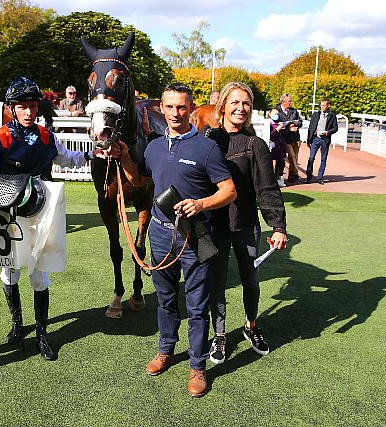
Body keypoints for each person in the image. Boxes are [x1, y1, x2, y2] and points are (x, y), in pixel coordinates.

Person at [113, 82, 237, 397]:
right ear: (162, 108)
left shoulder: (207, 148)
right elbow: (138, 179)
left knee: (196, 306)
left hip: (194, 235)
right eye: (169, 107)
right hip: (159, 232)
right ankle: (166, 350)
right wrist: (125, 156)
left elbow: (229, 191)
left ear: (191, 108)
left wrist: (201, 204)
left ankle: (198, 367)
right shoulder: (154, 146)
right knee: (166, 300)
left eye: (182, 107)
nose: (175, 113)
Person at [0, 76, 109, 361]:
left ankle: (42, 334)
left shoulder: (47, 137)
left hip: (41, 208)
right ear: (12, 108)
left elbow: (66, 158)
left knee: (40, 272)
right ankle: (17, 324)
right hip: (7, 209)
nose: (28, 112)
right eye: (22, 106)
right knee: (9, 271)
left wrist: (91, 155)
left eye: (32, 106)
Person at [205, 82, 288, 365]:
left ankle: (251, 325)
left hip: (246, 225)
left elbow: (267, 188)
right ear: (223, 107)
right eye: (235, 102)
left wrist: (278, 226)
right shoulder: (208, 140)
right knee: (216, 283)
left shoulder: (255, 145)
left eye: (246, 103)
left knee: (250, 280)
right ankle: (219, 334)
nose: (240, 108)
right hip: (215, 227)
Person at [305, 98, 338, 185]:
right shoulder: (316, 114)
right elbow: (311, 127)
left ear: (328, 105)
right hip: (315, 139)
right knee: (311, 158)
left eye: (324, 105)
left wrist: (328, 132)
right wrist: (308, 139)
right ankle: (308, 177)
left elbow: (335, 128)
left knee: (323, 159)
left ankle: (320, 178)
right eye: (321, 105)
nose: (322, 107)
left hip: (325, 140)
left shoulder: (332, 116)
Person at [276, 94, 302, 183]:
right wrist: (289, 127)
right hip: (284, 139)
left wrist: (295, 124)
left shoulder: (294, 111)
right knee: (292, 156)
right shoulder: (276, 111)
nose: (291, 102)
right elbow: (276, 124)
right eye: (289, 101)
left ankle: (292, 176)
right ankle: (295, 173)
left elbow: (300, 122)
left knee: (295, 157)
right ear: (283, 102)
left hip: (295, 138)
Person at [268, 108, 287, 187]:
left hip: (280, 146)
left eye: (277, 114)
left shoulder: (278, 123)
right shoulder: (268, 123)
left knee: (281, 162)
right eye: (275, 114)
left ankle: (279, 178)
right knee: (269, 163)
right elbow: (270, 134)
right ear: (270, 114)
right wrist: (277, 129)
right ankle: (270, 180)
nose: (277, 116)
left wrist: (283, 128)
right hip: (271, 146)